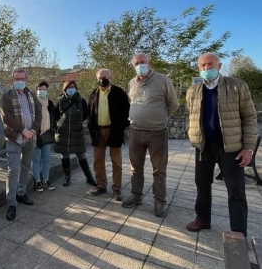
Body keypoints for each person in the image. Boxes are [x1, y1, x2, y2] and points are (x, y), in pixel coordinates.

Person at [185, 53, 257, 236]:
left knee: (235, 189)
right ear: (198, 68)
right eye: (203, 65)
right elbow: (191, 115)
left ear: (219, 65)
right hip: (204, 147)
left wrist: (248, 148)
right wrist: (193, 136)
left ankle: (238, 230)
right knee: (202, 184)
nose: (207, 68)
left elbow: (249, 117)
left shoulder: (236, 86)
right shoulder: (193, 90)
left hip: (231, 147)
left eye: (210, 64)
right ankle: (202, 219)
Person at [122, 53, 179, 217]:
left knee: (159, 170)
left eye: (143, 62)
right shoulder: (131, 83)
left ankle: (159, 202)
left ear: (149, 62)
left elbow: (173, 103)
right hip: (135, 132)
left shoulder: (163, 80)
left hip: (157, 133)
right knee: (135, 168)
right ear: (133, 66)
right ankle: (135, 196)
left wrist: (160, 118)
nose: (140, 65)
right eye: (137, 63)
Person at [0, 69, 42, 221]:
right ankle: (11, 202)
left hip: (31, 138)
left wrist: (33, 130)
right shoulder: (6, 96)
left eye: (22, 78)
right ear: (12, 80)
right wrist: (23, 130)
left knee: (26, 167)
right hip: (14, 138)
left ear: (26, 79)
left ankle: (21, 193)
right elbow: (6, 116)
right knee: (13, 170)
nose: (20, 81)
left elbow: (39, 115)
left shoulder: (31, 96)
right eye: (17, 78)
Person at [87, 69, 130, 199]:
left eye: (105, 77)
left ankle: (117, 188)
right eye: (100, 77)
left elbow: (126, 112)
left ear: (110, 78)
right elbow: (90, 114)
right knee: (98, 161)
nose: (103, 79)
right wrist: (92, 128)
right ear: (97, 78)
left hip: (114, 131)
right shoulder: (93, 94)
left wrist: (119, 128)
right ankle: (101, 185)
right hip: (98, 132)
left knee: (116, 162)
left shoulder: (119, 92)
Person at [54, 80, 96, 187]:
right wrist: (58, 126)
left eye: (72, 87)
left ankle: (89, 177)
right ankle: (67, 176)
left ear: (76, 88)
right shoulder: (60, 101)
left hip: (77, 132)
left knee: (81, 154)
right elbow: (55, 115)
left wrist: (77, 122)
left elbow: (86, 114)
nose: (70, 89)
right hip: (63, 133)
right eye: (68, 87)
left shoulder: (81, 101)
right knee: (65, 155)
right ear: (65, 89)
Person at [32, 81, 56, 192]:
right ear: (36, 90)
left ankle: (46, 180)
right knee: (36, 159)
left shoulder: (50, 103)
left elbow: (54, 118)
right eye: (40, 89)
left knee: (46, 159)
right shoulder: (32, 102)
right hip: (36, 135)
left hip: (47, 135)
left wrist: (53, 130)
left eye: (45, 89)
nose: (43, 91)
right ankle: (37, 181)